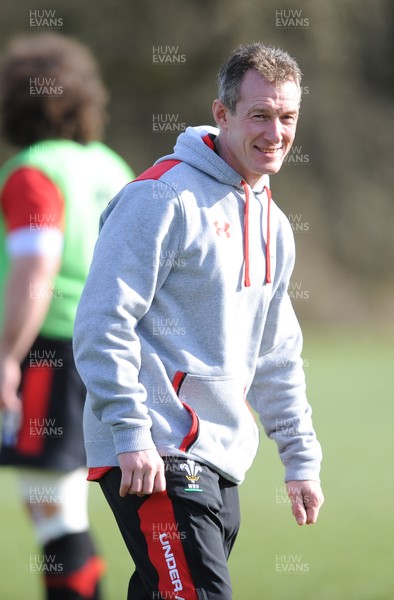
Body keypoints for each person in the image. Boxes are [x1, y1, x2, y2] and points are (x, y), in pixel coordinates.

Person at [73, 43, 324, 600]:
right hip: (156, 450)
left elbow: (276, 352)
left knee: (166, 591)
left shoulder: (274, 222)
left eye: (287, 118)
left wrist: (300, 457)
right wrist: (131, 430)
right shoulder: (162, 197)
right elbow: (101, 320)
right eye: (259, 115)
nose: (275, 133)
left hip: (219, 456)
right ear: (222, 114)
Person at [0, 33, 134, 599]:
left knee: (54, 516)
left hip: (51, 354)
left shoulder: (33, 170)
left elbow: (37, 268)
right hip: (111, 353)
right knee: (67, 512)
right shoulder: (112, 165)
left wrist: (7, 355)